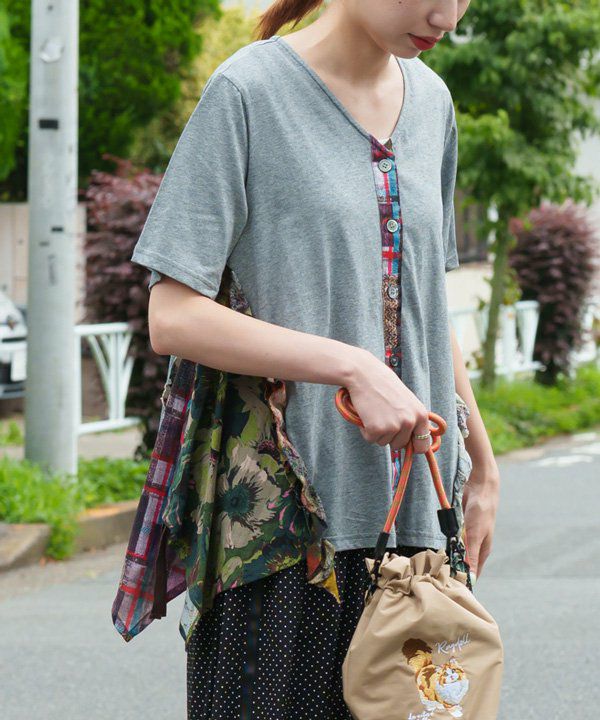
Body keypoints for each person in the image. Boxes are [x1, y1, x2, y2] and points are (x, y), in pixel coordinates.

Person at [130, 0, 501, 717]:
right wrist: (353, 367)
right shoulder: (248, 93)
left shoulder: (433, 102)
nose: (447, 15)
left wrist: (482, 467)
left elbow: (424, 301)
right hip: (285, 530)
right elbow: (172, 315)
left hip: (418, 533)